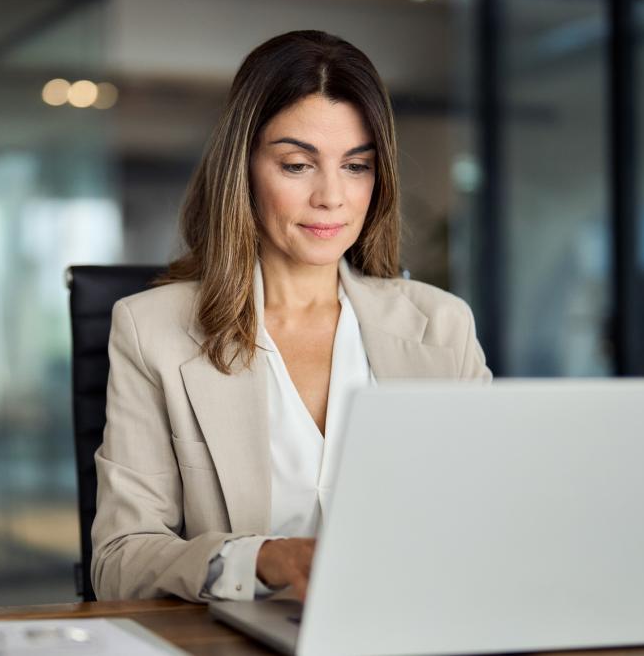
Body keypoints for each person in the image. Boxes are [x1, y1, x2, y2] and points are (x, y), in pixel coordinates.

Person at [91, 30, 492, 603]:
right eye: (298, 164)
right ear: (245, 169)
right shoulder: (151, 330)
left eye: (356, 167)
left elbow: (494, 517)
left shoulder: (442, 326)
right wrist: (261, 559)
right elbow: (118, 562)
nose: (331, 196)